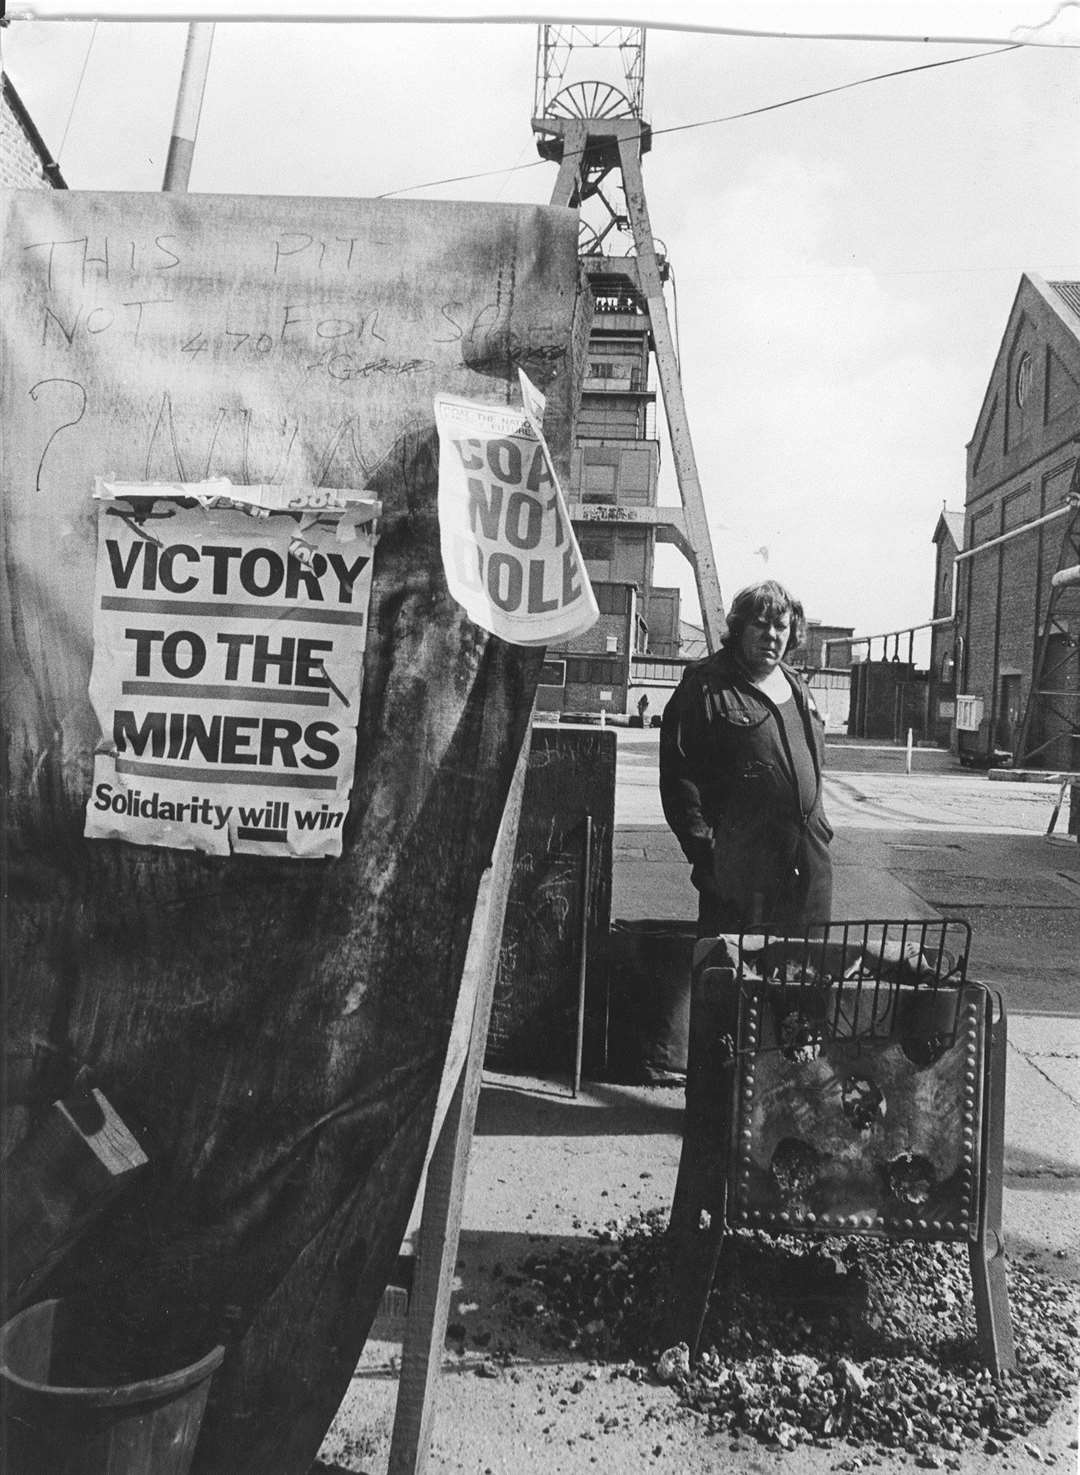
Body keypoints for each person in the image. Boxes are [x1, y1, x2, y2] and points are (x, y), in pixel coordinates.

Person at [659, 579, 833, 937]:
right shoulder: (706, 686)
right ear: (739, 628)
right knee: (734, 983)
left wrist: (821, 828)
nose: (772, 635)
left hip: (808, 872)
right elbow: (679, 781)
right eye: (761, 624)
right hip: (741, 877)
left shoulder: (798, 685)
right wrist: (710, 856)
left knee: (806, 980)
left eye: (781, 626)